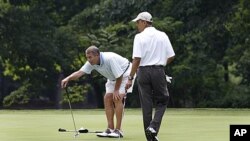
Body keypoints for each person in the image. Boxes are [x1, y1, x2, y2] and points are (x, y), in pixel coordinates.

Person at [61, 45, 131, 138]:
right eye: (87, 57)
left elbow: (119, 76)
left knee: (117, 98)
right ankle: (110, 129)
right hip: (113, 78)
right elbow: (79, 72)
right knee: (107, 98)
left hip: (125, 74)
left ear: (97, 55)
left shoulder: (109, 59)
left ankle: (118, 131)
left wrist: (116, 90)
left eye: (90, 57)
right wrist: (68, 78)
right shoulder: (91, 63)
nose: (89, 60)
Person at [126, 12, 175, 141]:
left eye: (138, 22)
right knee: (163, 100)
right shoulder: (162, 35)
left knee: (146, 105)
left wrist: (130, 78)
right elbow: (171, 56)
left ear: (144, 22)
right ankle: (153, 128)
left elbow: (136, 59)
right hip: (158, 71)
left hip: (142, 72)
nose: (137, 25)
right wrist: (161, 64)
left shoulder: (139, 37)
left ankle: (150, 136)